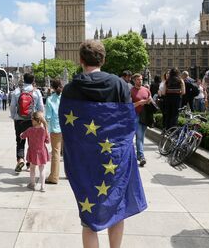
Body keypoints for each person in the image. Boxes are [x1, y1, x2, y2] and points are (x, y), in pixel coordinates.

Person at [59, 39, 146, 248]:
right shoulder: (119, 84)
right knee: (116, 209)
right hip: (114, 159)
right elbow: (127, 123)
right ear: (103, 59)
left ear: (80, 60)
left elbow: (67, 127)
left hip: (85, 161)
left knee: (88, 219)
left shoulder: (71, 88)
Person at [9, 72, 44, 172]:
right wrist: (40, 119)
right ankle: (30, 164)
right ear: (33, 81)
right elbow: (41, 107)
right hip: (32, 120)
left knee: (20, 140)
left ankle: (20, 159)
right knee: (32, 142)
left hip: (19, 119)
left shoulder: (17, 91)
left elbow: (12, 106)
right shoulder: (36, 92)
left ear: (23, 80)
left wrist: (13, 116)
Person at [20, 111, 50, 191]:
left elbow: (22, 136)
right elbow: (47, 141)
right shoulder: (44, 130)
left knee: (32, 168)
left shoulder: (30, 130)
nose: (31, 121)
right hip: (42, 152)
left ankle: (32, 184)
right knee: (42, 169)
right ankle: (42, 186)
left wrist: (21, 134)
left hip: (33, 152)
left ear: (36, 120)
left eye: (32, 119)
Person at [44, 79, 63, 185]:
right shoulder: (66, 98)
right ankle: (69, 174)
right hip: (67, 127)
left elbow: (48, 116)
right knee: (68, 153)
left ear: (52, 87)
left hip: (55, 128)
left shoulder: (50, 99)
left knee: (56, 153)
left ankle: (54, 176)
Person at [131, 73, 151, 167]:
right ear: (134, 80)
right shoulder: (131, 91)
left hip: (145, 116)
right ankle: (141, 156)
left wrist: (150, 101)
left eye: (141, 79)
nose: (140, 81)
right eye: (138, 79)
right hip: (136, 115)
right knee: (139, 136)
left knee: (142, 136)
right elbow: (129, 106)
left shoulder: (146, 90)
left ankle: (139, 155)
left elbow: (150, 100)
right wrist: (139, 103)